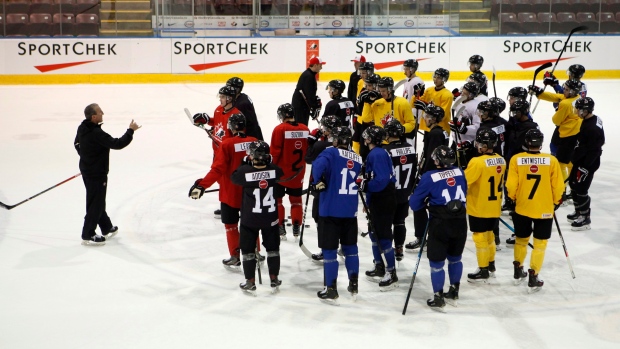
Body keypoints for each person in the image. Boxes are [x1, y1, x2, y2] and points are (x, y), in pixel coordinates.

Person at [188, 114, 258, 271]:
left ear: (231, 127)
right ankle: (256, 252)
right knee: (252, 224)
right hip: (251, 192)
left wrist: (202, 186)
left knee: (231, 224)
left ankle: (235, 256)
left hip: (231, 193)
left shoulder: (227, 144)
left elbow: (217, 169)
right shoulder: (254, 141)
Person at [409, 145, 468, 310]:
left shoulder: (429, 176)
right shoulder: (460, 172)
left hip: (440, 224)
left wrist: (426, 202)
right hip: (461, 222)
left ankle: (438, 296)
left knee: (437, 262)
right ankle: (454, 292)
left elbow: (414, 204)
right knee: (455, 258)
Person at [506, 129, 564, 293]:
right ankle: (533, 275)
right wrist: (555, 201)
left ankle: (518, 269)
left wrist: (514, 198)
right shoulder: (551, 160)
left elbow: (511, 185)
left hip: (523, 207)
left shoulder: (516, 159)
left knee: (521, 240)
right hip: (544, 209)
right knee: (540, 244)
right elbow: (558, 187)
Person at [74, 103, 140, 246]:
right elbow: (117, 144)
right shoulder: (96, 134)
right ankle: (88, 233)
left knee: (96, 200)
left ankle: (106, 227)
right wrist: (131, 131)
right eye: (100, 112)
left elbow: (77, 144)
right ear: (94, 116)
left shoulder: (82, 127)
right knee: (96, 203)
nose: (103, 113)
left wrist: (86, 159)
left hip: (87, 170)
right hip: (96, 173)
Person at [311, 126, 363, 303]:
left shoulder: (331, 153)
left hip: (330, 210)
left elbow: (317, 166)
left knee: (329, 251)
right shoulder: (357, 157)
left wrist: (318, 182)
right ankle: (354, 283)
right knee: (351, 249)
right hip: (350, 210)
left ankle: (331, 288)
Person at [231, 141, 285, 295]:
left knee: (248, 251)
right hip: (270, 218)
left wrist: (244, 163)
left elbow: (234, 177)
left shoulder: (244, 172)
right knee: (273, 249)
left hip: (250, 219)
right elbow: (279, 173)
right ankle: (274, 278)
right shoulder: (274, 170)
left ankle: (250, 281)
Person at [193, 85, 243, 218]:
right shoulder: (218, 110)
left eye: (222, 97)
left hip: (227, 154)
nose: (219, 99)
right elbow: (217, 123)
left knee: (228, 181)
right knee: (221, 180)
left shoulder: (236, 115)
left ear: (229, 98)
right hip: (217, 151)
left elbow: (238, 137)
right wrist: (207, 120)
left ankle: (234, 206)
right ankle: (226, 205)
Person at [358, 126, 399, 291]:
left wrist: (364, 185)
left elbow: (381, 180)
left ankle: (391, 272)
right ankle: (379, 266)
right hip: (378, 198)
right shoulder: (377, 153)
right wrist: (368, 201)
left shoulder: (377, 154)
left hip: (384, 199)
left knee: (383, 236)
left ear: (370, 139)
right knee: (374, 233)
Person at [405, 105, 449, 252]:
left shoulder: (435, 134)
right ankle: (432, 237)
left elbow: (432, 157)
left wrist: (424, 175)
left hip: (431, 177)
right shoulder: (439, 132)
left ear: (433, 118)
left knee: (419, 205)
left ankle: (422, 237)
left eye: (427, 115)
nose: (424, 118)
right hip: (437, 175)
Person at [464, 129, 506, 284]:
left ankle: (483, 269)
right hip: (495, 206)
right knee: (490, 237)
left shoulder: (476, 162)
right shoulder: (502, 159)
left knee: (480, 238)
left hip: (479, 207)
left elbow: (465, 181)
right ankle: (491, 265)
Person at [528, 79, 582, 185]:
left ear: (572, 91)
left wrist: (558, 110)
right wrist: (540, 93)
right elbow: (557, 97)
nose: (563, 90)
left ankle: (562, 191)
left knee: (561, 163)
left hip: (567, 135)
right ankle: (573, 186)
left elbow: (556, 120)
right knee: (570, 161)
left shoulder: (566, 104)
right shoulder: (577, 98)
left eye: (566, 89)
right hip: (575, 132)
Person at [305, 115, 342, 262]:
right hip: (340, 188)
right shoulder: (344, 144)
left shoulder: (320, 146)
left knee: (320, 219)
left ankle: (326, 249)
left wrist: (311, 142)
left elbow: (308, 158)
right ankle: (342, 247)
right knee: (338, 219)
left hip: (322, 188)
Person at [270, 103, 309, 240]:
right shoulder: (305, 128)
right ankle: (296, 226)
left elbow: (274, 153)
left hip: (281, 174)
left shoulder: (280, 129)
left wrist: (269, 169)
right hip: (298, 173)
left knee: (278, 201)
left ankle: (280, 227)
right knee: (296, 201)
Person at [567, 97, 605, 230]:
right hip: (580, 160)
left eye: (579, 109)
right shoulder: (590, 120)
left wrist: (585, 167)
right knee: (572, 184)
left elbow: (595, 150)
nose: (576, 111)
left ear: (586, 110)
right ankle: (578, 211)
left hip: (587, 164)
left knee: (581, 189)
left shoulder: (592, 128)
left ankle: (585, 217)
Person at [383, 119, 417, 262]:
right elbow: (414, 170)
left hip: (390, 194)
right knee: (400, 222)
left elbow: (383, 175)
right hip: (405, 193)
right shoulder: (410, 147)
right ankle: (399, 248)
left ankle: (386, 252)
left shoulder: (386, 151)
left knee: (385, 223)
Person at [449, 81, 488, 167]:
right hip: (456, 141)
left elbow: (478, 126)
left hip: (468, 144)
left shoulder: (476, 107)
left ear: (471, 95)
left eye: (465, 93)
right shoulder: (460, 100)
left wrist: (465, 129)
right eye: (462, 91)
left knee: (465, 167)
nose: (462, 94)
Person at [415, 68, 453, 135]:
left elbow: (442, 116)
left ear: (444, 80)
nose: (435, 79)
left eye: (438, 78)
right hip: (429, 128)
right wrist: (416, 94)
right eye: (435, 77)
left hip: (441, 129)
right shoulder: (429, 90)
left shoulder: (447, 95)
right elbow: (416, 103)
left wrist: (425, 108)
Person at [352, 71, 381, 160]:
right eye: (366, 85)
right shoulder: (364, 94)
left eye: (369, 85)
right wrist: (362, 102)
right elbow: (360, 112)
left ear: (376, 86)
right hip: (365, 125)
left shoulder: (382, 97)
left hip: (377, 126)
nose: (366, 88)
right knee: (363, 150)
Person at [291, 56, 325, 125]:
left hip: (302, 106)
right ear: (315, 65)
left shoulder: (309, 75)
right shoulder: (308, 76)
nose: (321, 68)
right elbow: (309, 94)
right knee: (301, 127)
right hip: (300, 107)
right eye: (320, 65)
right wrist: (314, 106)